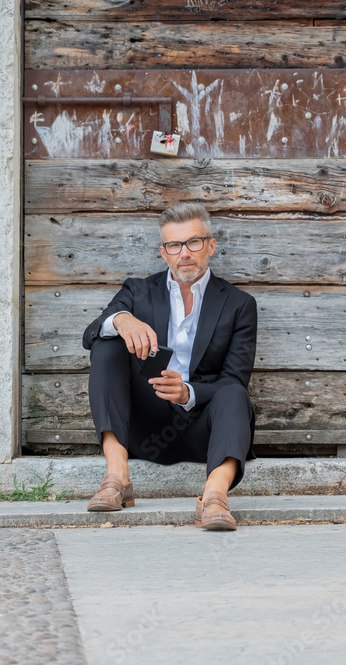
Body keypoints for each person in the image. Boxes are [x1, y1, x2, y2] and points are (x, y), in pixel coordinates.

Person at [81, 203, 258, 530]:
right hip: (144, 425)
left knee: (235, 393)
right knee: (107, 345)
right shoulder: (137, 290)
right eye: (174, 245)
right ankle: (117, 477)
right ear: (164, 252)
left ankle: (215, 498)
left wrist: (187, 393)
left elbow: (235, 378)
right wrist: (122, 319)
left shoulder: (238, 304)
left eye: (193, 242)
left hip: (203, 430)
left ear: (210, 246)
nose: (184, 254)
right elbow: (91, 333)